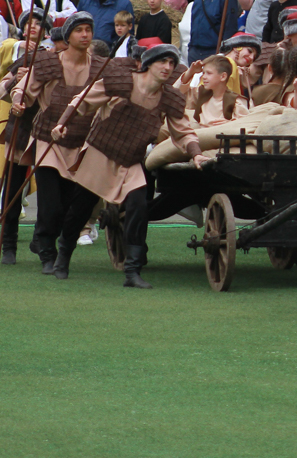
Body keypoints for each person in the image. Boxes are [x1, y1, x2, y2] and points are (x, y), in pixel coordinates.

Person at [53, 42, 205, 287]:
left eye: (171, 63)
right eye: (162, 62)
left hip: (131, 160)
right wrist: (62, 124)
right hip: (100, 152)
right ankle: (63, 257)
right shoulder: (121, 82)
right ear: (148, 63)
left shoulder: (170, 99)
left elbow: (184, 132)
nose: (167, 67)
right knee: (80, 208)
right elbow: (82, 100)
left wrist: (196, 154)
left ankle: (132, 271)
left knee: (138, 206)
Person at [10, 11, 102, 278]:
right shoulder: (49, 63)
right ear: (69, 35)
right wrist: (19, 99)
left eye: (89, 30)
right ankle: (48, 255)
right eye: (79, 30)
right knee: (51, 205)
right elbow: (25, 87)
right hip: (47, 141)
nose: (85, 35)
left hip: (81, 143)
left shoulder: (99, 67)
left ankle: (53, 246)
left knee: (72, 205)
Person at [0, 8, 44, 219]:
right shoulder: (11, 46)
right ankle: (1, 208)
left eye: (38, 23)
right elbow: (4, 51)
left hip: (28, 117)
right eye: (27, 23)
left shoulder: (46, 53)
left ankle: (14, 205)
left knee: (20, 163)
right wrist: (20, 45)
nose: (31, 26)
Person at [179, 54, 250, 124]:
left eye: (209, 73)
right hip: (200, 133)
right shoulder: (201, 93)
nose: (204, 77)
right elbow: (176, 93)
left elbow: (245, 125)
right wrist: (190, 72)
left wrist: (229, 123)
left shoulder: (234, 102)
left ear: (223, 76)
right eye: (203, 73)